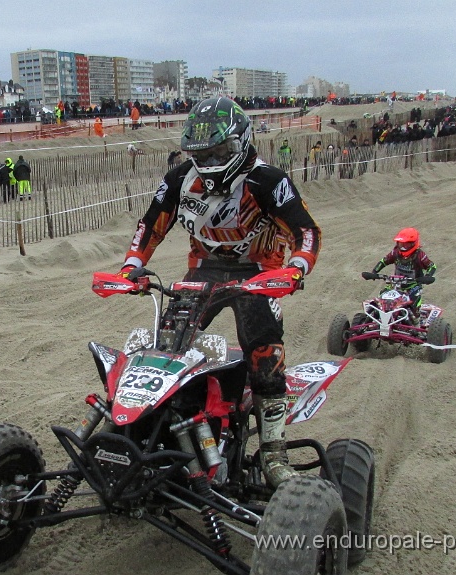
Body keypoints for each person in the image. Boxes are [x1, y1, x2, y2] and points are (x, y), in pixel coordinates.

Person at [119, 96, 321, 488]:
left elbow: (306, 230)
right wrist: (132, 265)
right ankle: (164, 430)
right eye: (203, 152)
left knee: (263, 350)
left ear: (242, 142)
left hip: (258, 273)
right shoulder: (179, 177)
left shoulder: (268, 181)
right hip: (204, 270)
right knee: (167, 346)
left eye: (219, 150)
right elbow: (151, 224)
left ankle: (274, 452)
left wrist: (296, 267)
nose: (211, 159)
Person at [365, 227, 437, 324]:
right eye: (401, 244)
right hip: (394, 284)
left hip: (412, 285)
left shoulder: (419, 255)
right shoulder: (395, 252)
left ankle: (414, 323)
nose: (403, 247)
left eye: (406, 244)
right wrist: (374, 272)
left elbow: (432, 266)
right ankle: (372, 319)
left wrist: (428, 276)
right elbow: (383, 261)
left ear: (413, 243)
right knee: (380, 300)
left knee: (412, 303)